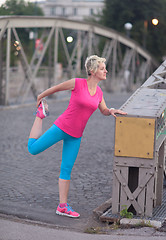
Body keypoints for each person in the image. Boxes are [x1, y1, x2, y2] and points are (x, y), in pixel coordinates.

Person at [28, 55, 127, 218]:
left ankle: (62, 206)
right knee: (33, 149)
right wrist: (40, 98)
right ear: (92, 71)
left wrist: (111, 111)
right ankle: (39, 116)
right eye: (102, 68)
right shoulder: (77, 83)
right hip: (62, 127)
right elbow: (56, 88)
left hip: (76, 136)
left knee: (66, 169)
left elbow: (103, 110)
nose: (106, 71)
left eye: (105, 68)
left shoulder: (99, 92)